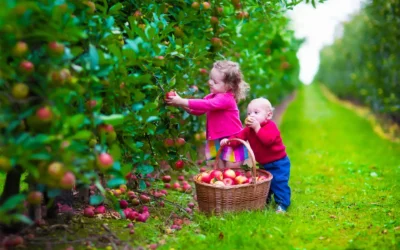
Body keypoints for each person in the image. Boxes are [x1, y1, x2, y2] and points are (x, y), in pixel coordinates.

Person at [165, 60, 250, 169]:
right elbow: (198, 110)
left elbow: (207, 104)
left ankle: (234, 185)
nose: (210, 82)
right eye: (210, 78)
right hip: (217, 138)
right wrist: (180, 104)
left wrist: (182, 101)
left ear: (229, 86)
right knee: (219, 170)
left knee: (231, 168)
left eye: (215, 81)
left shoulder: (226, 99)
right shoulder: (212, 96)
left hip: (232, 139)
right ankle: (221, 185)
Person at [220, 98, 291, 213]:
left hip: (279, 163)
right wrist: (228, 141)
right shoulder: (248, 130)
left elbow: (267, 140)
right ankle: (264, 202)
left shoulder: (270, 127)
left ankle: (282, 204)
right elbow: (238, 138)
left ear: (268, 115)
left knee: (279, 183)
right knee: (265, 184)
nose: (251, 115)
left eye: (256, 112)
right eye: (249, 113)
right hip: (264, 163)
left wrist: (257, 127)